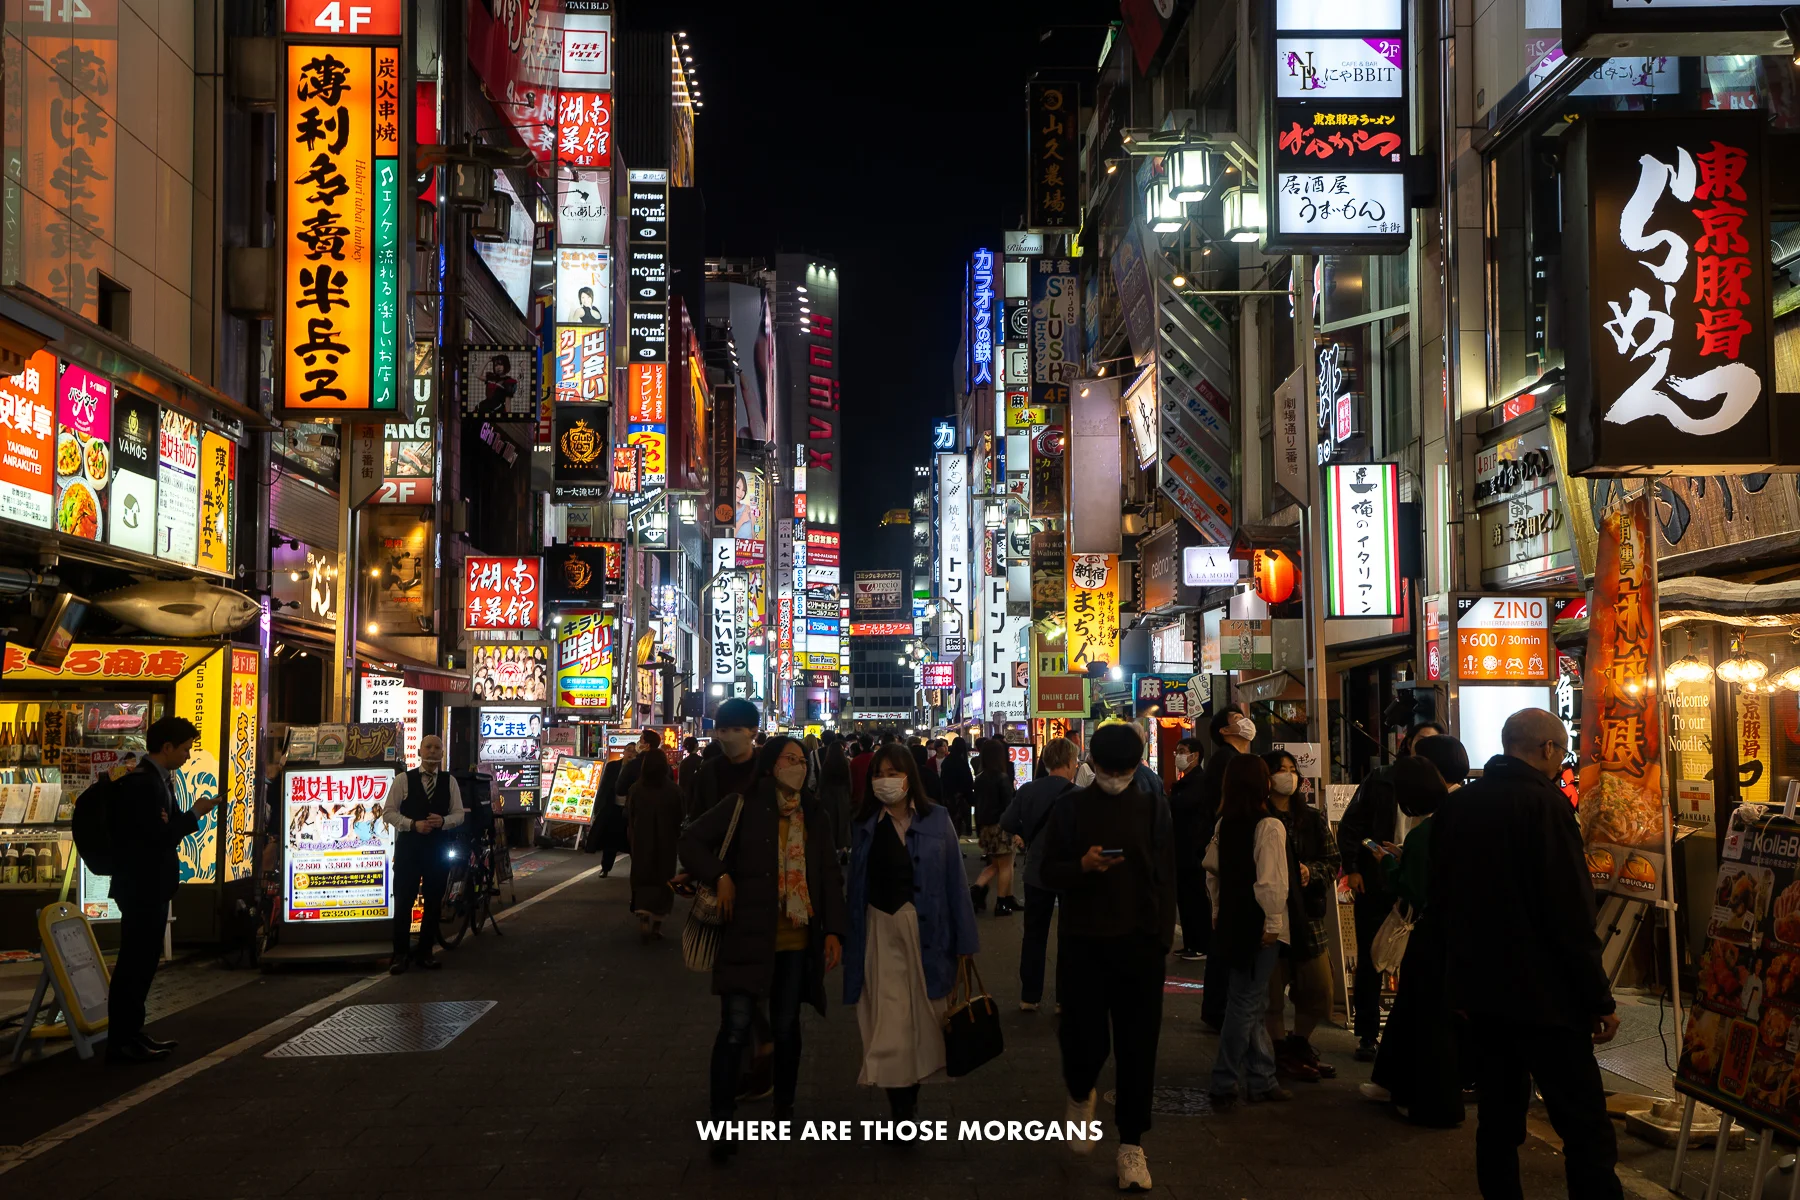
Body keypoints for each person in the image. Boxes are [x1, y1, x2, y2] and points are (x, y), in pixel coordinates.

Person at [1432, 710, 1621, 1198]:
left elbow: (1443, 904)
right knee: (1584, 1126)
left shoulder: (1458, 807)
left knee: (1497, 1120)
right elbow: (1569, 912)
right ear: (1546, 750)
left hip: (1483, 996)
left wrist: (1456, 983)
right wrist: (1598, 997)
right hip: (1547, 998)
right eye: (1561, 754)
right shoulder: (1547, 808)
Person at [678, 737, 847, 1160]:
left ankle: (783, 1106)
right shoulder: (743, 804)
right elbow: (692, 841)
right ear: (771, 766)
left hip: (796, 937)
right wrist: (720, 874)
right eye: (789, 759)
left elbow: (827, 872)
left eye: (801, 760)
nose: (799, 767)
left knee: (787, 1027)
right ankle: (721, 1122)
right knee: (735, 1028)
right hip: (746, 934)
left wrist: (834, 930)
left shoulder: (814, 812)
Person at [1039, 723, 1177, 1192]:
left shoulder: (1154, 808)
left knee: (1139, 1048)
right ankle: (1080, 1091)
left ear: (1137, 766)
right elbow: (1045, 870)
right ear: (1092, 765)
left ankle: (1132, 1146)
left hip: (1140, 945)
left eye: (1123, 768)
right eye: (1109, 768)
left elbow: (1166, 877)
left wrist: (1160, 938)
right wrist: (1081, 866)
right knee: (1082, 1037)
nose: (1116, 775)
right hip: (1085, 942)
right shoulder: (1070, 809)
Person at [843, 745, 979, 1118]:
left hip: (927, 932)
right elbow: (854, 887)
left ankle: (910, 1092)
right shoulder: (864, 823)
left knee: (922, 1017)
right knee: (886, 1020)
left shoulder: (936, 819)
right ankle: (899, 1104)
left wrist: (965, 942)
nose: (885, 779)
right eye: (878, 773)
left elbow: (956, 883)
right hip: (878, 929)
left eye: (893, 771)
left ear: (909, 776)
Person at [1364, 736, 1470, 1126]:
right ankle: (1396, 1085)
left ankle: (1431, 1103)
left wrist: (1389, 864)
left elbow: (1415, 887)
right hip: (1453, 932)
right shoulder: (1461, 813)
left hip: (1431, 934)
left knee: (1430, 1021)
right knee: (1419, 1014)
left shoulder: (1428, 830)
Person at [104, 716, 221, 1062]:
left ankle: (131, 1036)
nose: (187, 755)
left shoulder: (154, 779)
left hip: (145, 885)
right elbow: (157, 838)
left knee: (141, 964)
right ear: (167, 747)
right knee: (134, 965)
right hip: (142, 886)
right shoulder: (145, 784)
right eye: (185, 748)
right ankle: (122, 1041)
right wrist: (195, 814)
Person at [1338, 719, 1445, 1059]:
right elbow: (1353, 826)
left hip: (1419, 887)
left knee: (1418, 962)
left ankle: (1411, 1037)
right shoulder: (1382, 777)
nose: (1426, 749)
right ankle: (1368, 1034)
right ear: (1408, 743)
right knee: (1373, 957)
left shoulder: (1444, 789)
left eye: (1434, 743)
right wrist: (1355, 867)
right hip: (1378, 880)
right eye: (1421, 741)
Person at [1204, 754, 1295, 1107]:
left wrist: (1215, 910)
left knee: (1249, 1001)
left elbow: (1212, 873)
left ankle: (1262, 1077)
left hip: (1230, 919)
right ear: (1264, 784)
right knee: (1245, 1003)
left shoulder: (1224, 823)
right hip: (1258, 925)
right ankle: (1224, 1079)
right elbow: (1272, 883)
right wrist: (1273, 923)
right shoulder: (1269, 826)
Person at [1260, 749, 1339, 1083]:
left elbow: (1332, 861)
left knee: (1320, 989)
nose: (1288, 776)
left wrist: (1312, 872)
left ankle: (1299, 1044)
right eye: (1281, 769)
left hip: (1308, 916)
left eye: (1293, 769)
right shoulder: (1258, 817)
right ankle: (1280, 1052)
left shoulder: (1311, 818)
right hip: (1272, 920)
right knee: (1271, 992)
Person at [999, 736, 1078, 1011]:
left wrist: (1025, 833)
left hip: (1036, 872)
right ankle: (1064, 998)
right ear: (1070, 762)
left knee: (1034, 934)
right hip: (1069, 873)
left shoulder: (1028, 790)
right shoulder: (1077, 794)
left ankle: (1029, 996)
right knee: (1069, 936)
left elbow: (1007, 820)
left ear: (1045, 763)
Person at [385, 734, 466, 974]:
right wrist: (412, 824)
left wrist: (444, 821)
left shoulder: (449, 781)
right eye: (428, 747)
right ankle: (399, 955)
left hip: (437, 850)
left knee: (433, 902)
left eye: (437, 748)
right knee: (404, 903)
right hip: (409, 850)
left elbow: (459, 814)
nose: (432, 751)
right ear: (419, 751)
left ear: (442, 753)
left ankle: (425, 953)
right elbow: (388, 813)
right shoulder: (403, 780)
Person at [1199, 708, 1256, 1029]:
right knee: (1225, 930)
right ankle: (1219, 1007)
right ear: (1223, 730)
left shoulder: (1229, 759)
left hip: (1227, 851)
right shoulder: (1227, 761)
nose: (1246, 721)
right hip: (1230, 854)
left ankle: (1217, 1005)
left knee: (1223, 929)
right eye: (1238, 718)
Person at [627, 739, 684, 943]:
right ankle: (657, 924)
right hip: (667, 841)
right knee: (664, 879)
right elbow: (681, 817)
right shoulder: (674, 790)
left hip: (642, 840)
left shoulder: (636, 789)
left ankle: (643, 914)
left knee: (642, 876)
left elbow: (629, 814)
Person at [1166, 737, 1209, 962]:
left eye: (1182, 751)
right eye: (1177, 751)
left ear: (1195, 755)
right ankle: (1191, 943)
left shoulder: (1200, 782)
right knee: (1184, 898)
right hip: (1181, 850)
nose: (1178, 755)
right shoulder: (1185, 781)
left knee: (1195, 899)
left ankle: (1201, 944)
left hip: (1194, 851)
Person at [690, 699, 762, 824]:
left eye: (737, 730)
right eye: (723, 730)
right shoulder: (708, 772)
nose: (729, 736)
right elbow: (697, 820)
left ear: (754, 732)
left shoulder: (766, 767)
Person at [969, 739, 1017, 915]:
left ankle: (976, 891)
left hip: (986, 827)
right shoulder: (1002, 778)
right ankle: (1001, 902)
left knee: (996, 864)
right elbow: (1008, 804)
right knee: (1004, 865)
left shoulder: (980, 778)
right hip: (1001, 826)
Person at [594, 743, 635, 876]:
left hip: (631, 810)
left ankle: (636, 871)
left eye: (634, 752)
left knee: (632, 842)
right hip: (614, 808)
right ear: (624, 751)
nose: (631, 754)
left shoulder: (638, 769)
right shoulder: (613, 766)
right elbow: (604, 787)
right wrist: (598, 807)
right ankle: (605, 868)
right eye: (629, 750)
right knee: (610, 840)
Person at [817, 739, 855, 857]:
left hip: (828, 795)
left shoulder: (827, 764)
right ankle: (843, 848)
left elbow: (822, 782)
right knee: (843, 822)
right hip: (842, 795)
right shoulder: (845, 763)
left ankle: (831, 848)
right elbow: (849, 782)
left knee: (831, 822)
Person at [939, 737, 974, 835]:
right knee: (958, 824)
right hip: (960, 798)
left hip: (948, 797)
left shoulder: (947, 760)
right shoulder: (962, 762)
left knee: (951, 825)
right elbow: (968, 781)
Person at [678, 736, 703, 821]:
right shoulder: (702, 761)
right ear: (696, 745)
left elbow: (681, 783)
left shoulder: (683, 763)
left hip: (687, 796)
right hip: (700, 797)